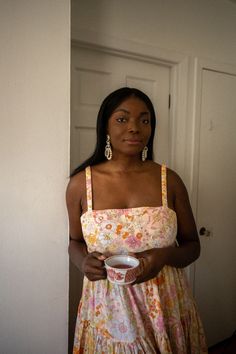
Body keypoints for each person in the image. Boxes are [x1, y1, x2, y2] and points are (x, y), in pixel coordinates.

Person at [66, 87, 207, 353]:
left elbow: (192, 246)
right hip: (108, 312)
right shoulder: (80, 185)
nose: (135, 128)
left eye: (144, 120)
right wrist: (82, 261)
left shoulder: (170, 181)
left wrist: (163, 256)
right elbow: (74, 241)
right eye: (122, 119)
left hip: (165, 309)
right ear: (105, 127)